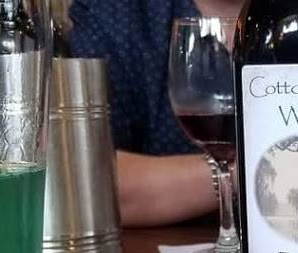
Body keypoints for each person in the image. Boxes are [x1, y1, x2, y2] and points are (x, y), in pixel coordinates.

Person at [69, 0, 246, 227]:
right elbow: (86, 183)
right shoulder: (112, 14)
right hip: (166, 247)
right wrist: (249, 171)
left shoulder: (291, 16)